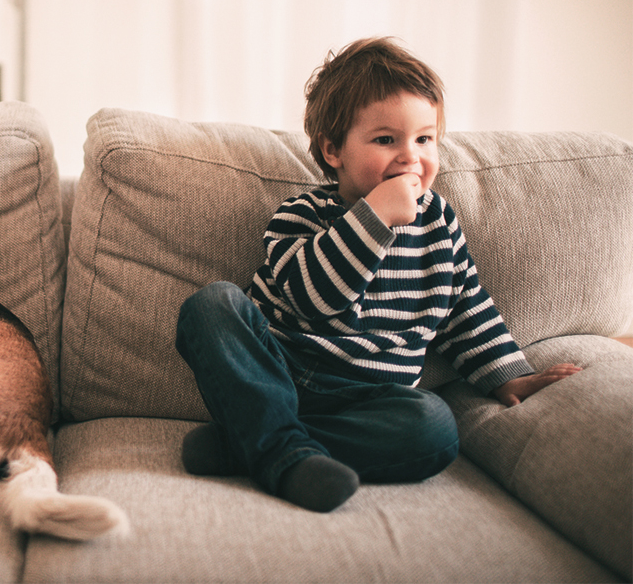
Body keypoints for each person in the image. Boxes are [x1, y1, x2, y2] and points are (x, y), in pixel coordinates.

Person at [175, 37, 580, 512]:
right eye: (386, 140)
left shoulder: (439, 224)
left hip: (369, 402)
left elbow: (465, 307)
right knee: (212, 304)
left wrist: (508, 377)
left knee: (434, 425)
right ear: (333, 151)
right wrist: (375, 217)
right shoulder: (301, 215)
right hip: (278, 371)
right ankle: (282, 453)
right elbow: (314, 298)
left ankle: (255, 445)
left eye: (424, 139)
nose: (411, 157)